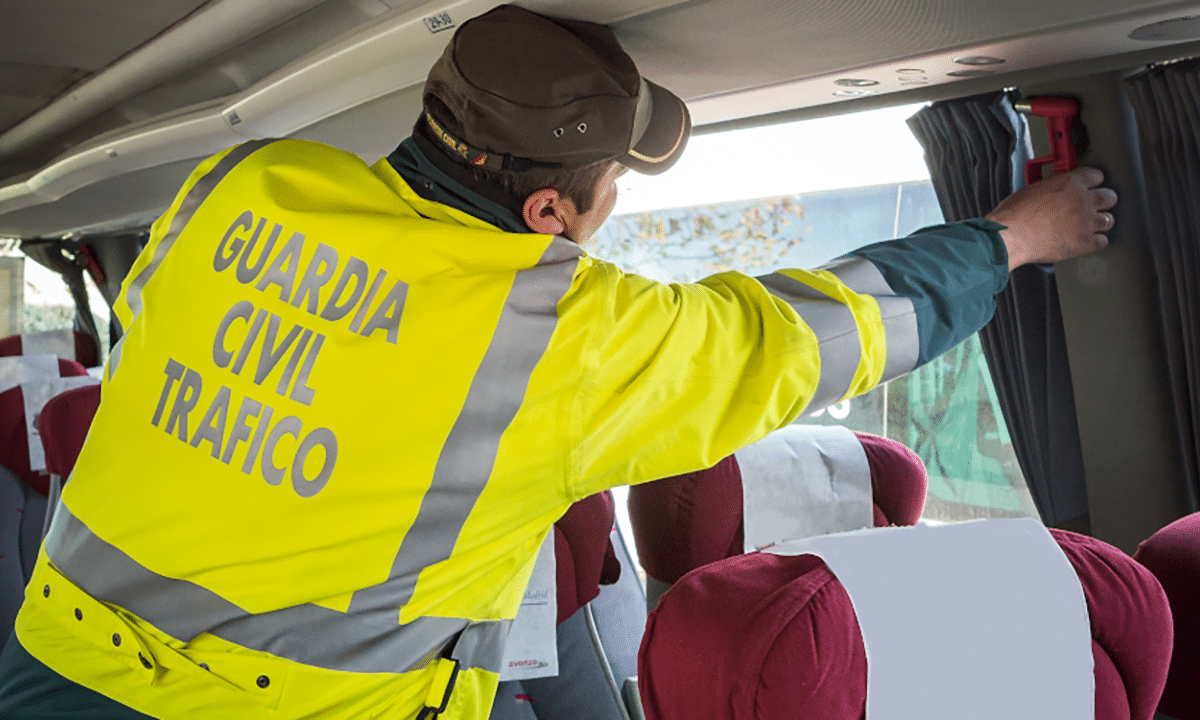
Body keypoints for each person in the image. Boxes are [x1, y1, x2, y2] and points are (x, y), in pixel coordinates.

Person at [0, 4, 1116, 720]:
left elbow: (154, 326)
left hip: (49, 655)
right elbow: (816, 333)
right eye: (605, 197)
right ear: (549, 213)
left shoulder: (244, 184)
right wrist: (1017, 236)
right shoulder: (553, 334)